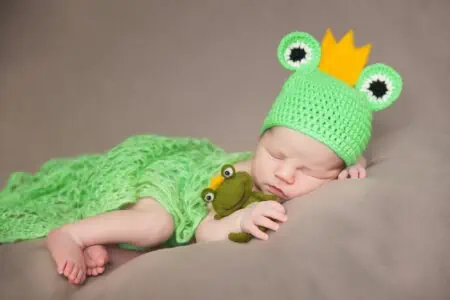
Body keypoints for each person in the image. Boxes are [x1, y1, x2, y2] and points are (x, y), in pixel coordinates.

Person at [0, 28, 402, 285]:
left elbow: (340, 160)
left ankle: (102, 251)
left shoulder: (326, 168)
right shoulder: (242, 183)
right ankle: (72, 233)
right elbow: (205, 232)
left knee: (147, 254)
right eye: (275, 153)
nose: (284, 174)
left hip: (187, 212)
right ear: (260, 139)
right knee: (157, 225)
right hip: (174, 181)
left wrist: (353, 166)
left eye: (309, 171)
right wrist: (241, 219)